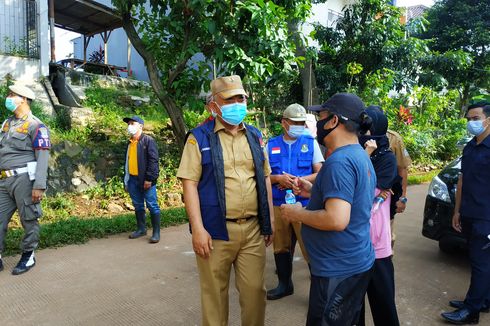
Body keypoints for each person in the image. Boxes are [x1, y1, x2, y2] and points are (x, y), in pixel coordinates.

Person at [177, 75, 274, 326]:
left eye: (241, 97)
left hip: (252, 230)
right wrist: (197, 229)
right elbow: (189, 184)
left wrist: (269, 221)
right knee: (215, 297)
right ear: (213, 106)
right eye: (230, 99)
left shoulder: (254, 136)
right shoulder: (198, 138)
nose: (238, 103)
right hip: (215, 231)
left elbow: (264, 178)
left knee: (255, 293)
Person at [281, 93, 376, 326]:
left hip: (337, 269)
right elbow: (353, 198)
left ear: (334, 121)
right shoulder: (359, 155)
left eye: (320, 116)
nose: (317, 123)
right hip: (355, 260)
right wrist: (314, 190)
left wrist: (296, 213)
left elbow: (336, 219)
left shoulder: (339, 162)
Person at [266, 103, 323, 300]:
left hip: (303, 204)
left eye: (302, 122)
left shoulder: (310, 142)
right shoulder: (271, 144)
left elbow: (320, 172)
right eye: (295, 122)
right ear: (284, 123)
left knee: (309, 247)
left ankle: (318, 293)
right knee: (280, 246)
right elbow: (265, 176)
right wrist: (278, 179)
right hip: (279, 203)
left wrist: (301, 180)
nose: (299, 125)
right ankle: (284, 285)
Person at [441, 102, 490, 325]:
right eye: (469, 119)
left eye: (476, 118)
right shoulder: (470, 147)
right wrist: (457, 210)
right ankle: (481, 300)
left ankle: (472, 311)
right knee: (477, 260)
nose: (472, 123)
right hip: (469, 212)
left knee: (481, 263)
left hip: (486, 217)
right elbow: (461, 180)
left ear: (488, 119)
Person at [0, 84, 50, 275]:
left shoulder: (37, 126)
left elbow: (42, 157)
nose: (9, 97)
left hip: (24, 180)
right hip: (3, 181)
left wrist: (39, 185)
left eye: (12, 95)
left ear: (24, 99)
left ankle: (28, 255)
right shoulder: (7, 123)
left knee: (29, 219)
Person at [357, 106, 400, 326]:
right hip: (354, 244)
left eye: (366, 128)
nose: (361, 132)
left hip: (377, 247)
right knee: (354, 309)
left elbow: (360, 192)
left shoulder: (386, 159)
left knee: (383, 305)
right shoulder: (354, 153)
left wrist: (366, 155)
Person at [123, 115, 161, 243]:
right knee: (138, 205)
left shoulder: (148, 141)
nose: (129, 126)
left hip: (146, 180)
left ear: (140, 126)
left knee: (152, 205)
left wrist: (149, 179)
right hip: (133, 180)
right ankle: (141, 229)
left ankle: (156, 233)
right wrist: (126, 179)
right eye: (128, 123)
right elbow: (127, 163)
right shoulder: (130, 143)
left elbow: (153, 161)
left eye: (132, 123)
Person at [386, 127, 411, 248]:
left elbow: (402, 168)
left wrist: (402, 198)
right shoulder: (358, 133)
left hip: (387, 197)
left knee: (387, 234)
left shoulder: (394, 138)